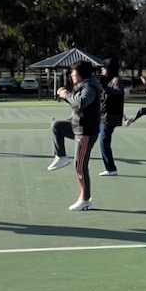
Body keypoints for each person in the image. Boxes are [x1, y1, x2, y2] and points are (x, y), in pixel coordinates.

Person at [47, 60, 102, 211]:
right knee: (57, 126)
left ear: (80, 74)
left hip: (86, 132)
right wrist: (67, 96)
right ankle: (61, 156)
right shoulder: (82, 86)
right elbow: (76, 106)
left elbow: (82, 103)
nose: (71, 75)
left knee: (80, 165)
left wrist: (67, 94)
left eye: (73, 73)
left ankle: (85, 200)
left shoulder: (89, 87)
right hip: (77, 126)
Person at [98, 58, 125, 176]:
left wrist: (105, 87)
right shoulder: (108, 80)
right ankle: (110, 167)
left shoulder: (116, 80)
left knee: (104, 141)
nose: (101, 70)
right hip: (105, 115)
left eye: (103, 68)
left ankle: (111, 168)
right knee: (103, 141)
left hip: (111, 116)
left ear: (109, 69)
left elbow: (118, 94)